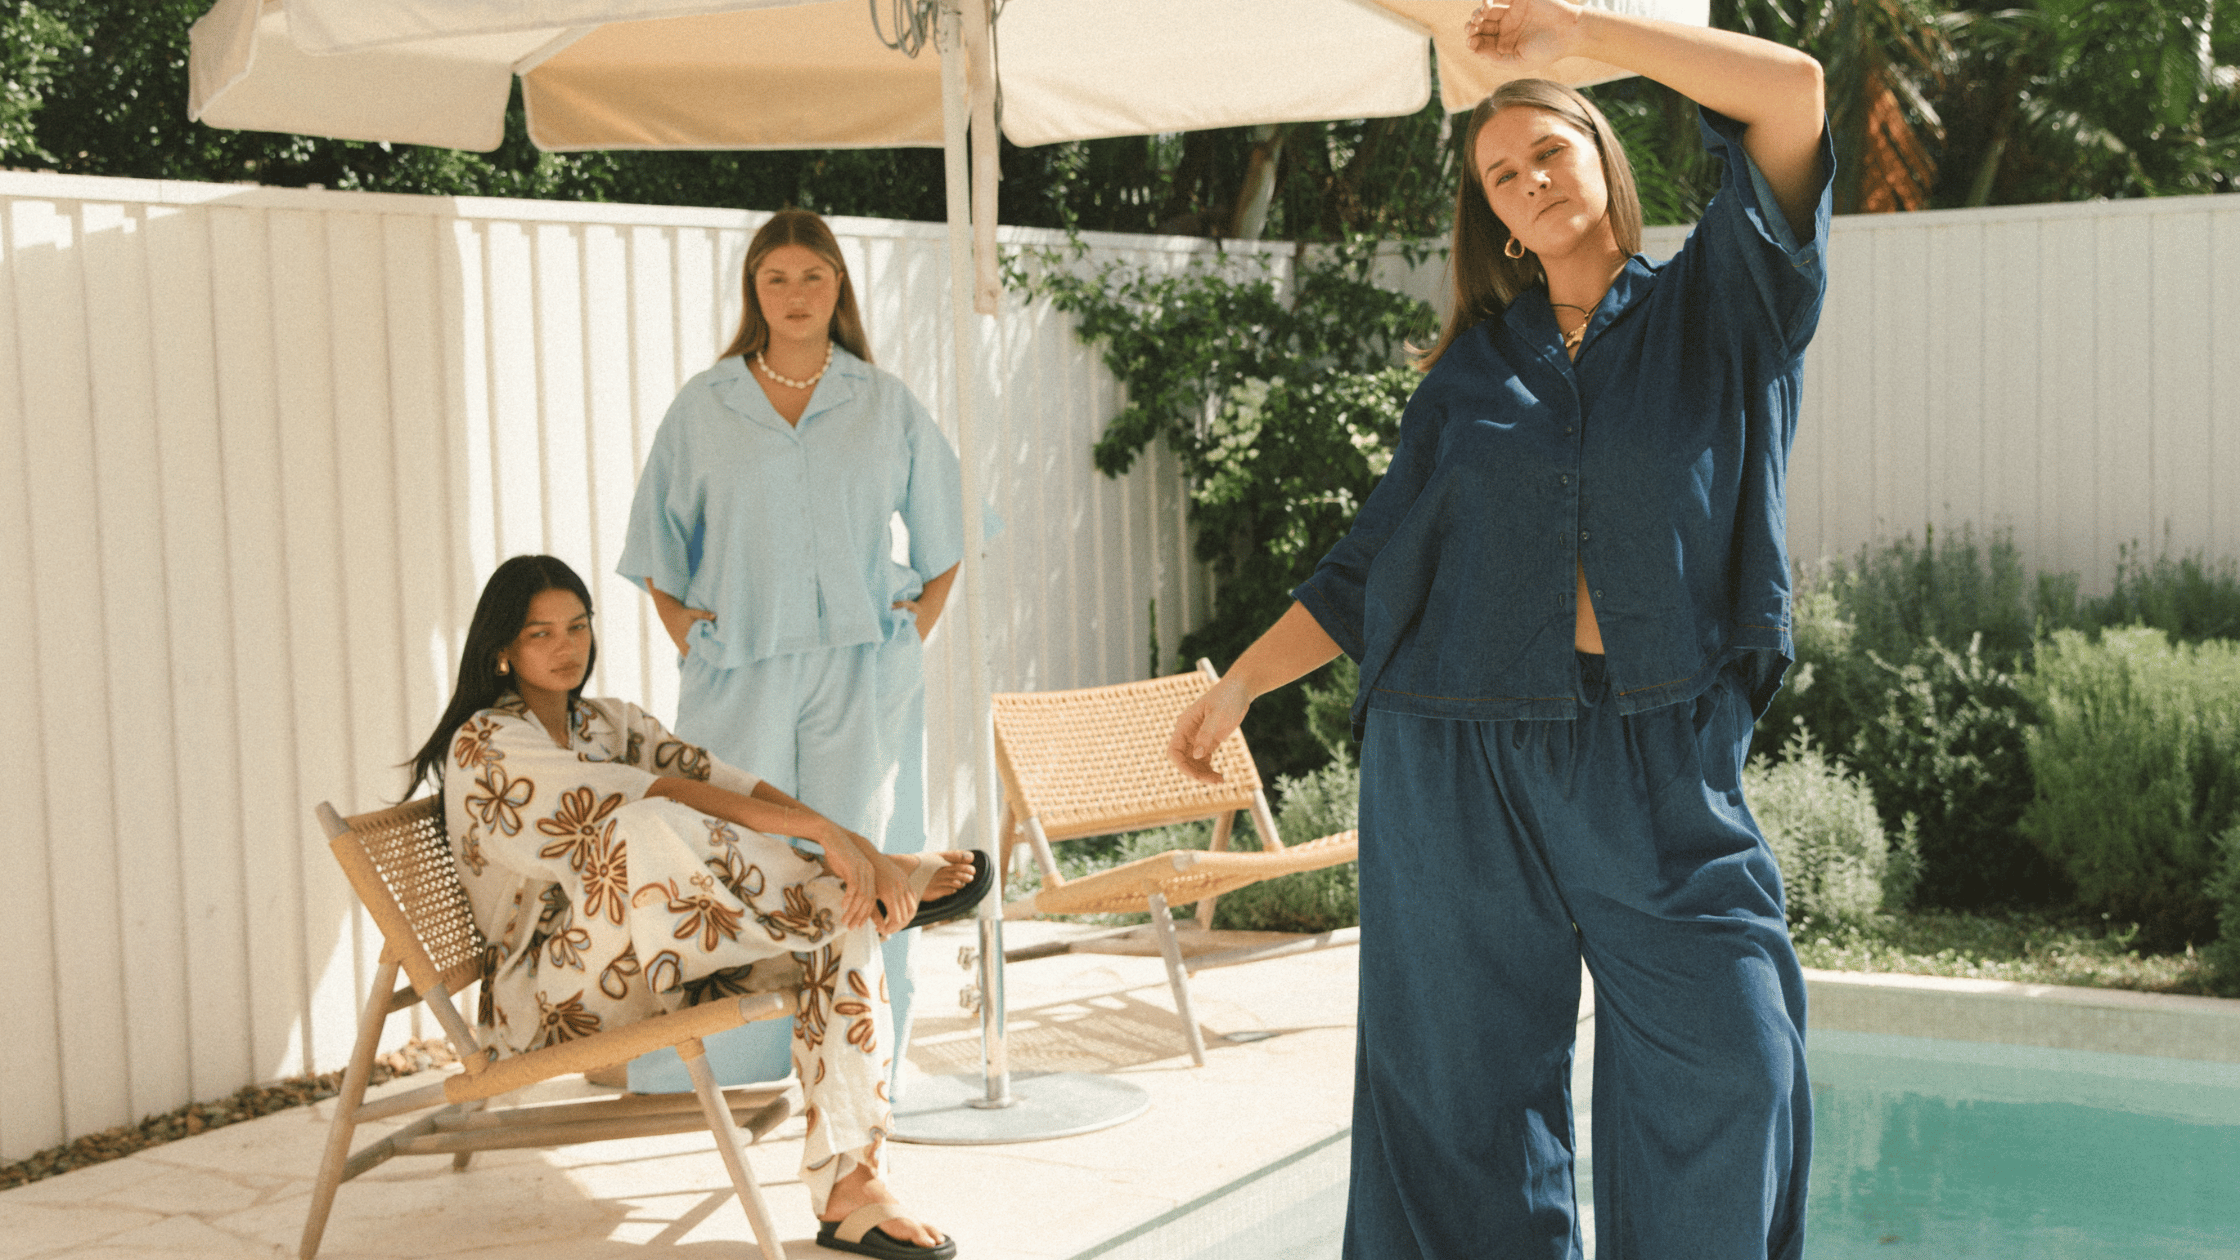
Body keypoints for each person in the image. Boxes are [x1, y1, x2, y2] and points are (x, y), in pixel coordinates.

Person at [1167, 4, 1832, 1257]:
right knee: (1458, 1103)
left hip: (1656, 756)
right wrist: (1241, 685)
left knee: (1734, 1056)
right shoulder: (1473, 374)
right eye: (1500, 176)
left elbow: (1790, 93)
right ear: (1492, 216)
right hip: (1455, 755)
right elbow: (1372, 564)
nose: (1529, 182)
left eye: (1548, 153)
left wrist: (1572, 37)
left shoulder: (1723, 308)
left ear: (1599, 155)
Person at [406, 554, 978, 1258]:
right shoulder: (487, 742)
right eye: (539, 634)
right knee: (645, 826)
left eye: (577, 627)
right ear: (501, 650)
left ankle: (855, 1190)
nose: (566, 647)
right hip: (552, 997)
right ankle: (847, 892)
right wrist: (832, 842)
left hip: (661, 953)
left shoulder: (607, 721)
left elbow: (725, 780)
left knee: (846, 924)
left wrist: (857, 843)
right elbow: (665, 797)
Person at [617, 209, 967, 1094]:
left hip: (863, 671)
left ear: (839, 286)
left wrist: (904, 640)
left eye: (813, 275)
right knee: (729, 864)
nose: (796, 294)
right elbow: (655, 544)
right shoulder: (707, 404)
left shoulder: (884, 403)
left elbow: (948, 533)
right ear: (754, 291)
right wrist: (690, 636)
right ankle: (724, 1064)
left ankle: (860, 1066)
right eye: (777, 277)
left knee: (867, 861)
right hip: (740, 673)